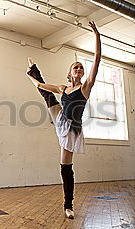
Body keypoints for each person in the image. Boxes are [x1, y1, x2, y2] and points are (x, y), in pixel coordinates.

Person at [25, 21, 101, 219]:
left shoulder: (85, 88)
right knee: (48, 96)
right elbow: (41, 85)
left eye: (81, 68)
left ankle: (68, 205)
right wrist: (31, 75)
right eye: (75, 67)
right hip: (60, 118)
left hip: (72, 128)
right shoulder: (63, 88)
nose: (79, 69)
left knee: (66, 167)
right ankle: (34, 68)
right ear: (69, 73)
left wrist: (96, 35)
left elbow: (97, 60)